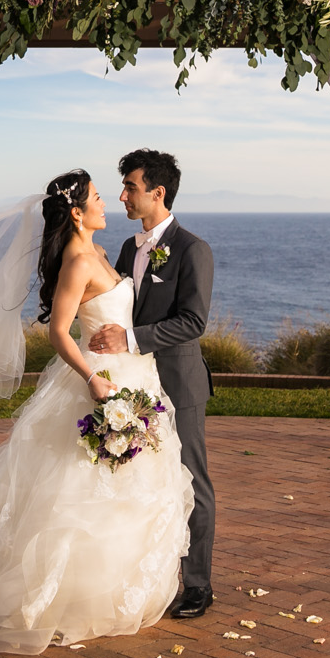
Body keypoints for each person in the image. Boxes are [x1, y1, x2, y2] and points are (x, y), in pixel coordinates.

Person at [0, 169, 193, 654]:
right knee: (78, 488)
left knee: (131, 485)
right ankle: (66, 597)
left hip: (136, 375)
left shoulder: (103, 254)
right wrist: (92, 378)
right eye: (97, 198)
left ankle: (116, 586)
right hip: (100, 381)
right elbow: (59, 331)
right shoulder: (76, 262)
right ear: (76, 212)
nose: (106, 203)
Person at [87, 149, 216, 619]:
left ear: (157, 193)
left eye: (131, 188)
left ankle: (198, 585)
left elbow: (193, 321)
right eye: (121, 188)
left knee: (191, 483)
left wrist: (130, 338)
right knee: (144, 483)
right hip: (134, 386)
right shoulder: (126, 248)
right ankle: (144, 579)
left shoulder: (192, 249)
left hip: (178, 386)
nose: (123, 196)